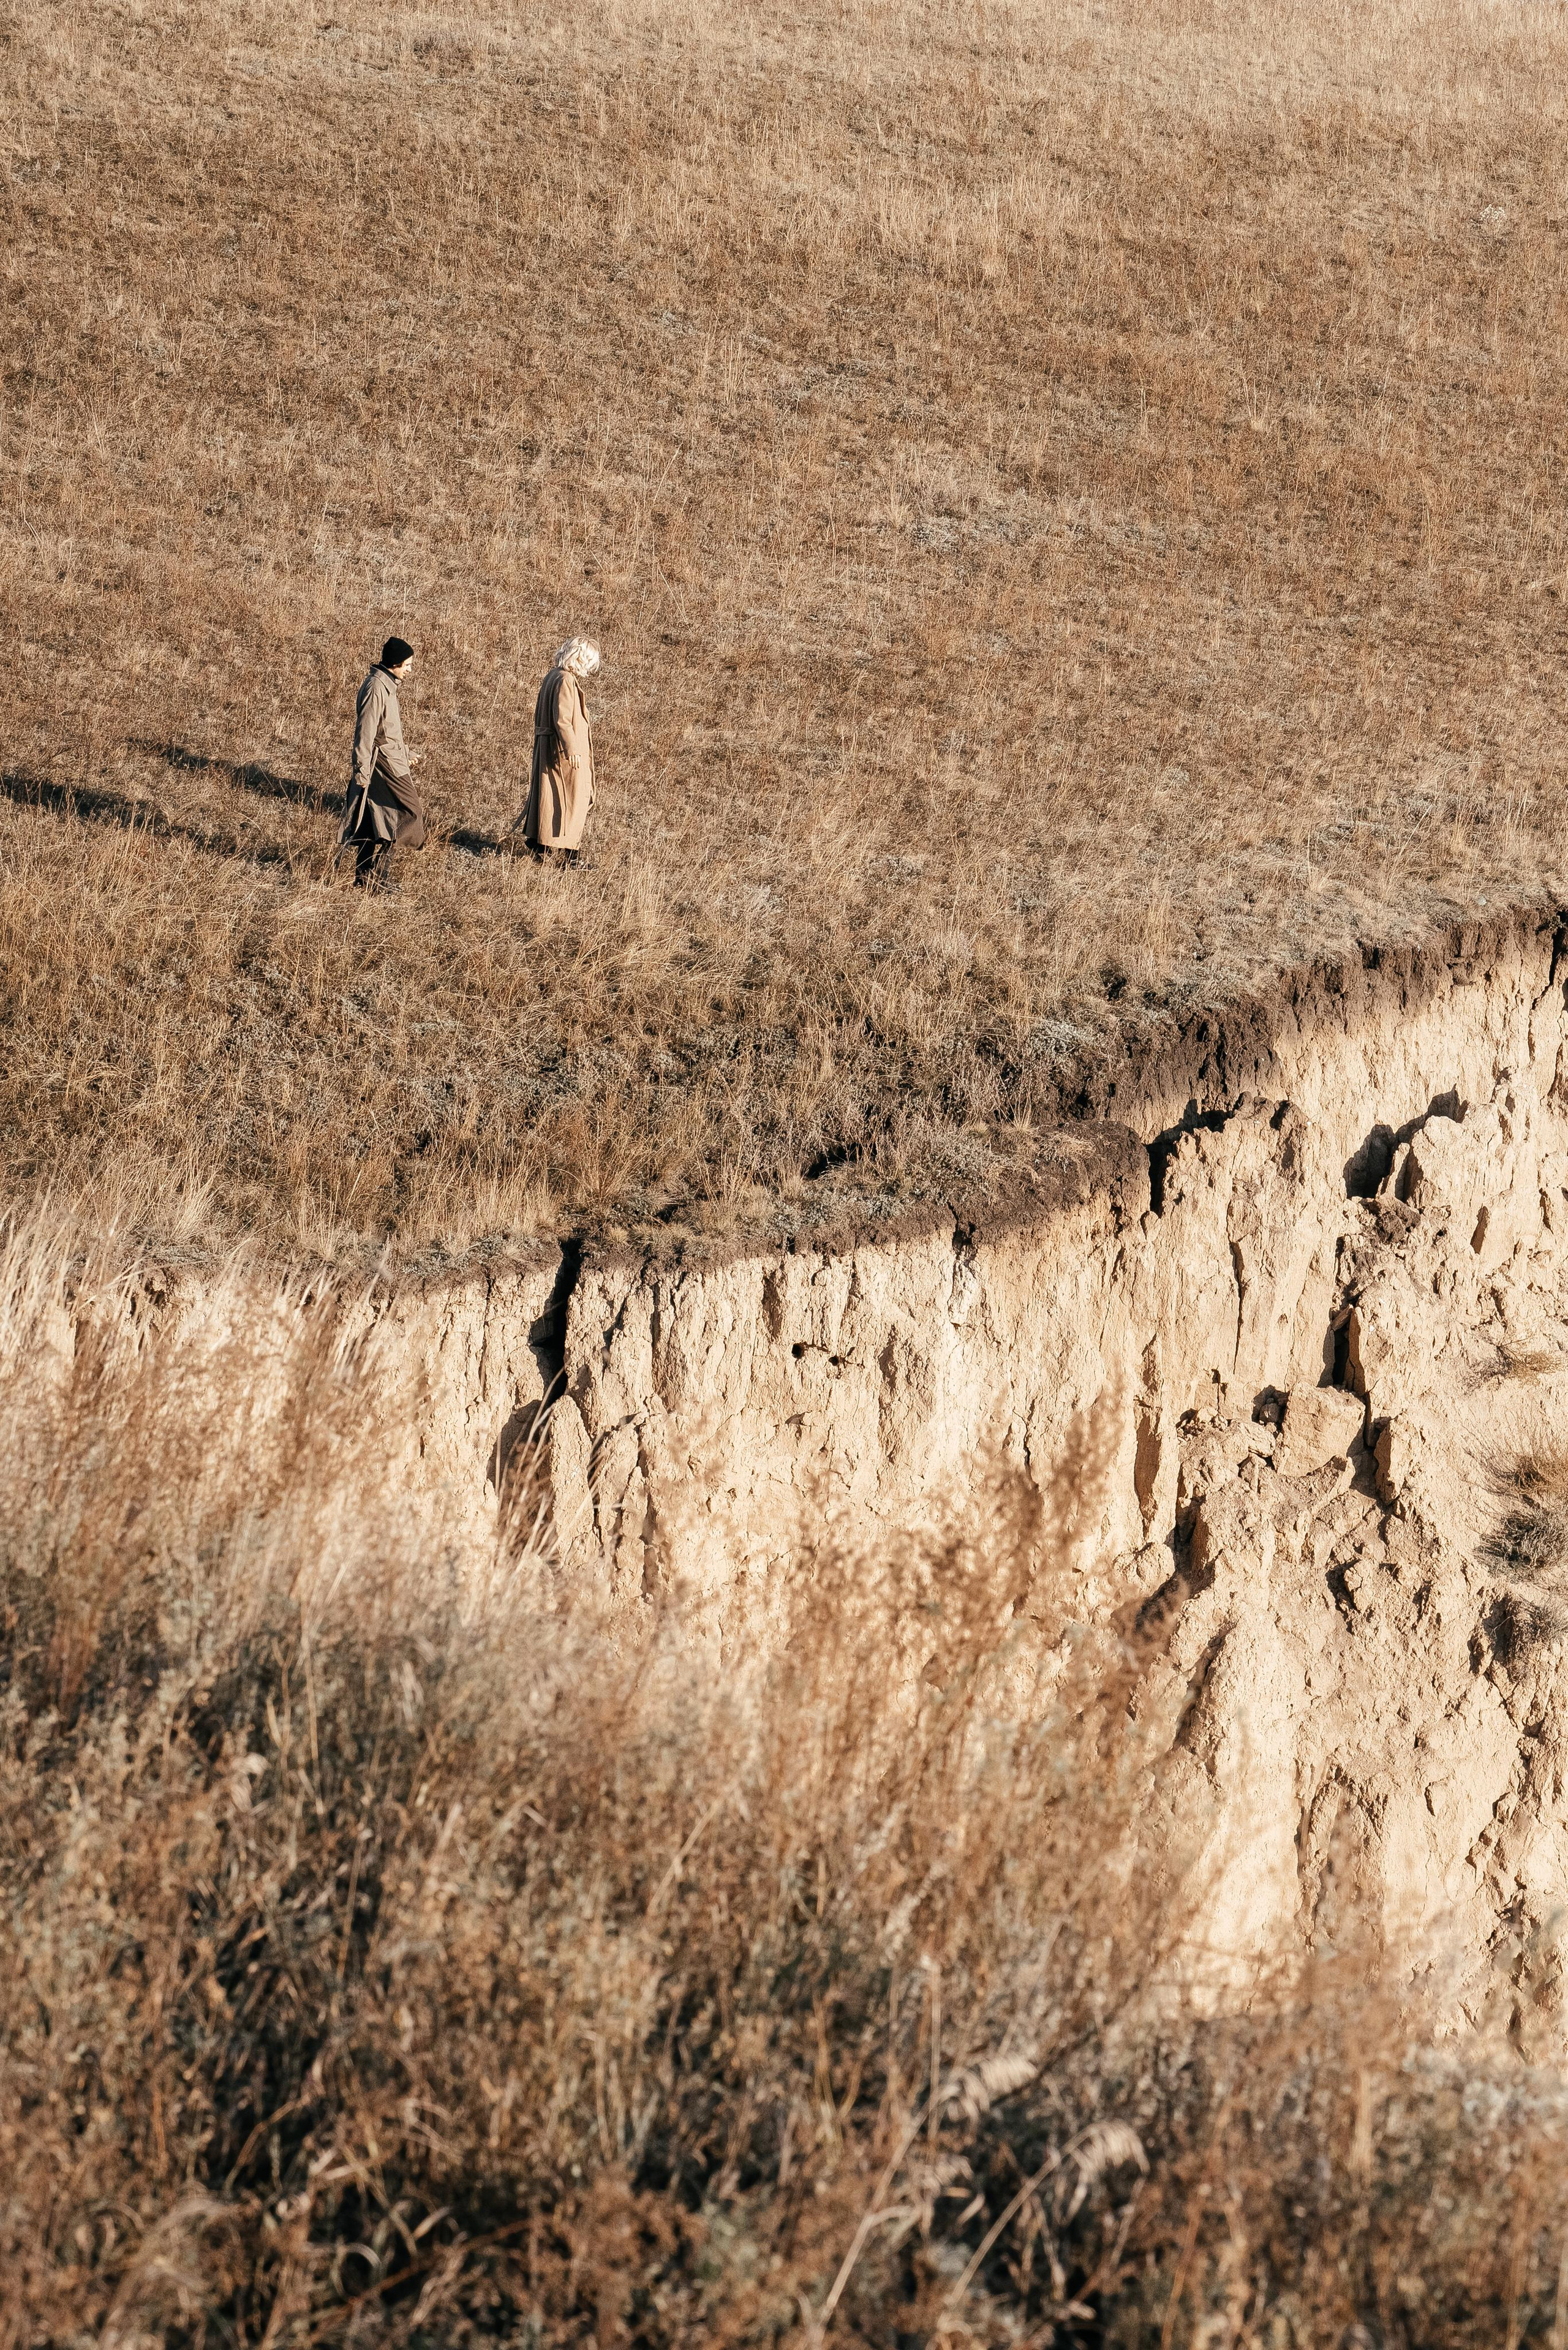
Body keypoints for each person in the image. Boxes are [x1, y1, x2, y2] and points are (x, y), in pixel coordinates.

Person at [341, 636, 426, 889]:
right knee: (411, 813)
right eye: (407, 665)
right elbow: (365, 733)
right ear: (395, 664)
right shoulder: (376, 688)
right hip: (383, 764)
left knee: (373, 816)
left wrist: (406, 752)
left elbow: (387, 731)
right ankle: (377, 874)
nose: (410, 670)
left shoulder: (386, 685)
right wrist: (362, 770)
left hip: (390, 759)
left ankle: (365, 878)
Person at [519, 638, 599, 860]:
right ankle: (571, 857)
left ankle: (540, 845)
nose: (590, 667)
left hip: (551, 748)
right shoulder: (565, 680)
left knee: (551, 798)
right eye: (589, 661)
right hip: (563, 753)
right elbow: (562, 720)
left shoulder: (553, 675)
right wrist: (571, 749)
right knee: (574, 800)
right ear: (580, 658)